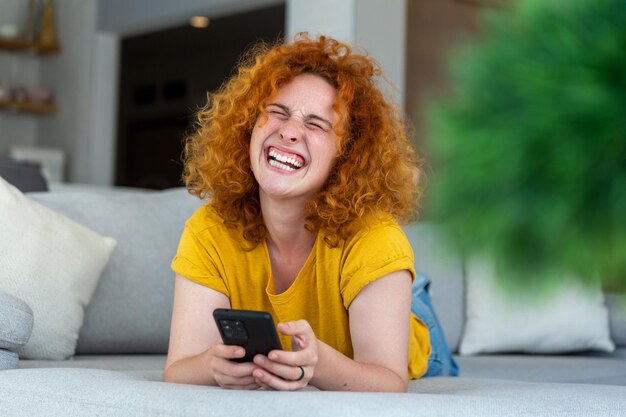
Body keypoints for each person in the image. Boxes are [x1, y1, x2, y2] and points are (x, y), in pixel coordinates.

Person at [163, 34, 458, 392]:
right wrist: (213, 367)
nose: (289, 132)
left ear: (345, 156)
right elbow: (178, 369)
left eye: (316, 124)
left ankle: (413, 290)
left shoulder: (376, 238)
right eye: (277, 112)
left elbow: (389, 381)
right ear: (247, 128)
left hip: (413, 331)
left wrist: (321, 366)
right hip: (361, 285)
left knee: (406, 310)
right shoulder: (209, 229)